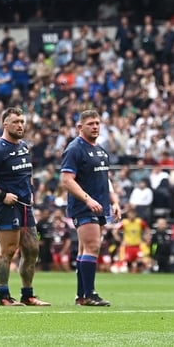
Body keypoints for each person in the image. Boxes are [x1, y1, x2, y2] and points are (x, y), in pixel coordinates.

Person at [0, 107, 50, 306]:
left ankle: (28, 294)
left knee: (32, 250)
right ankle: (4, 296)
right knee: (7, 251)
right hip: (6, 206)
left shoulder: (24, 146)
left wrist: (31, 190)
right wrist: (1, 194)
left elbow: (26, 172)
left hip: (25, 206)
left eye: (22, 121)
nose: (20, 125)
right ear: (5, 124)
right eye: (16, 121)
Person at [60, 109, 121, 306]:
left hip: (100, 205)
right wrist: (87, 200)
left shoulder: (101, 150)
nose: (95, 127)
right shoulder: (75, 149)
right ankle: (90, 294)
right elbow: (67, 180)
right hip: (84, 206)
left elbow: (105, 178)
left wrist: (114, 201)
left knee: (85, 249)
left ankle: (81, 296)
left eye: (97, 123)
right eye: (90, 124)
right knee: (93, 246)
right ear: (80, 127)